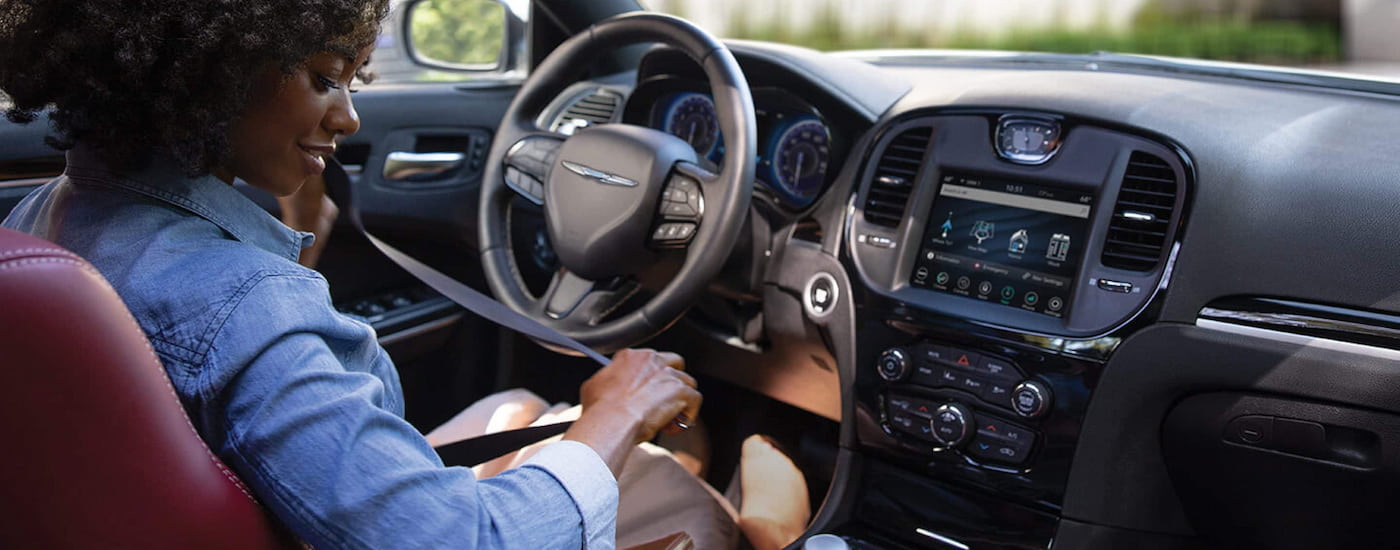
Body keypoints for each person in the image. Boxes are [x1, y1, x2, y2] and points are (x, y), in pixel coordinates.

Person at [0, 1, 752, 548]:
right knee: (697, 501)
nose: (349, 118)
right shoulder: (242, 304)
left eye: (355, 81)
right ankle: (764, 516)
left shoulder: (45, 219)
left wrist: (295, 242)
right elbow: (462, 541)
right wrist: (618, 409)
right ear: (213, 72)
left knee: (520, 405)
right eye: (326, 77)